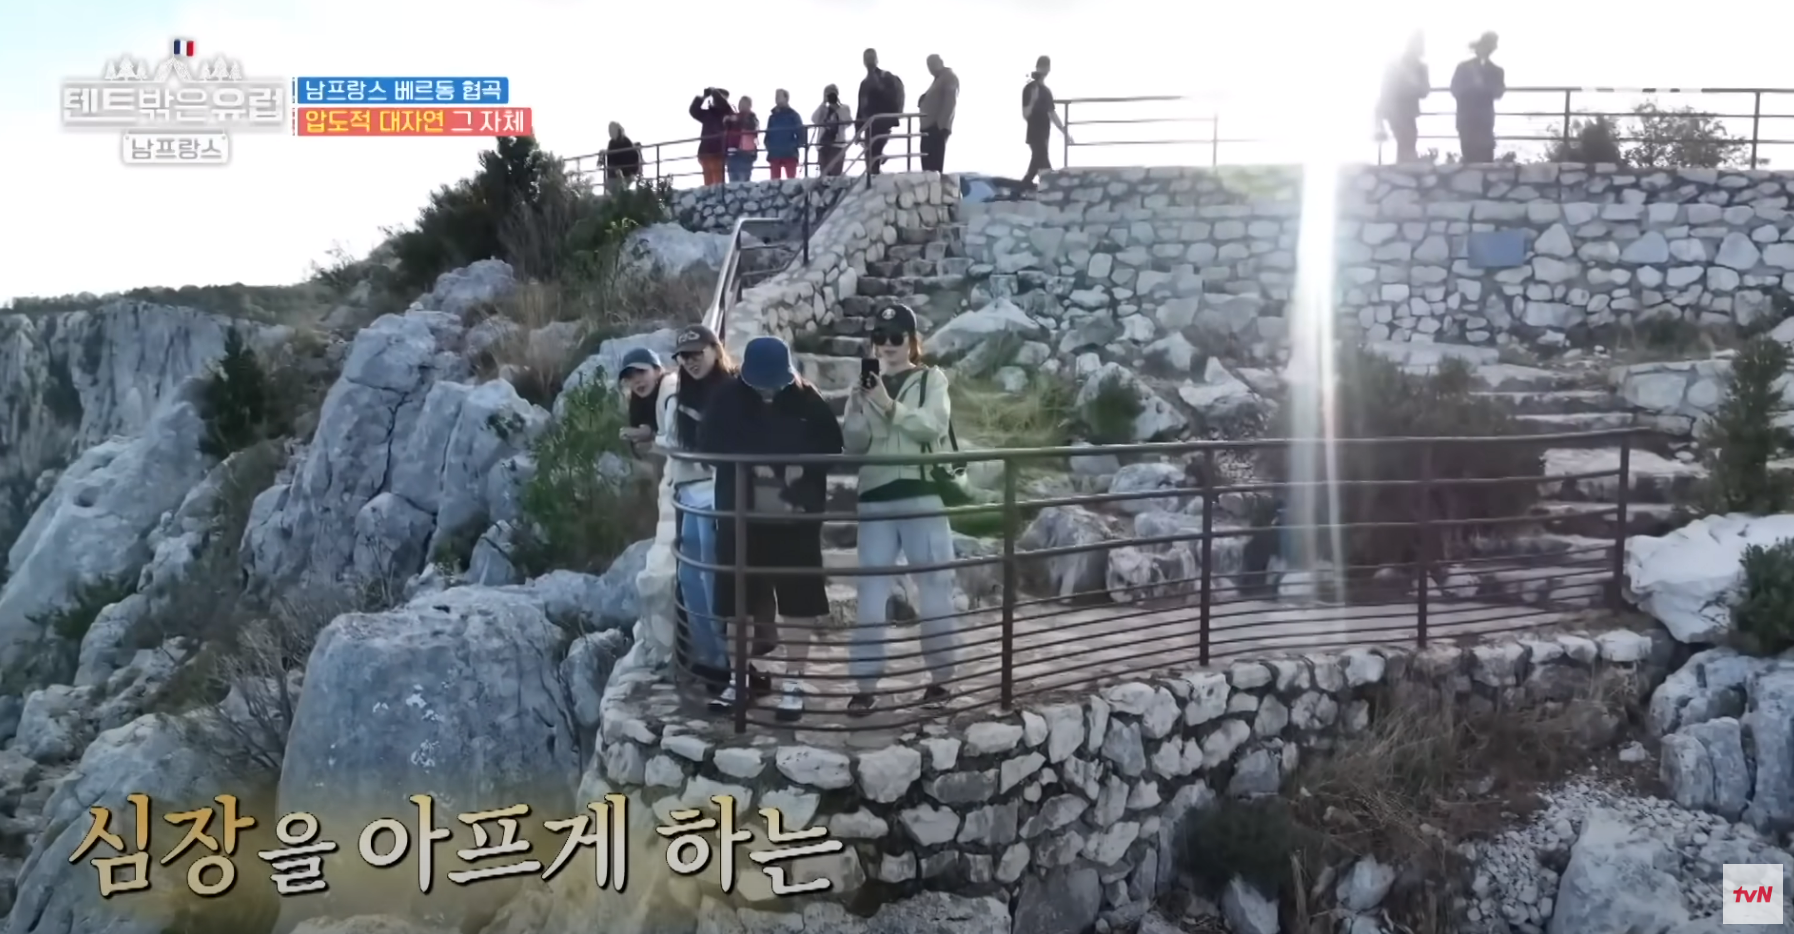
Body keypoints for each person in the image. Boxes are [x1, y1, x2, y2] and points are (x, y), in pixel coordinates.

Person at [698, 336, 844, 720]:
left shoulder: (809, 400)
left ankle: (794, 683)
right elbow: (707, 444)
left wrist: (795, 471)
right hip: (740, 519)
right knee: (737, 605)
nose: (768, 390)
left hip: (795, 522)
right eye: (760, 384)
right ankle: (738, 680)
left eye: (774, 383)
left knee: (799, 603)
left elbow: (833, 448)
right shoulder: (726, 398)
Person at [840, 303, 962, 715]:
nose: (887, 344)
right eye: (880, 337)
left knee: (935, 586)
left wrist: (889, 404)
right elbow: (854, 445)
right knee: (871, 593)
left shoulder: (931, 379)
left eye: (896, 337)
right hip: (875, 496)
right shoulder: (866, 384)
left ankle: (941, 680)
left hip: (920, 491)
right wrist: (857, 406)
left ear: (912, 341)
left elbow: (932, 427)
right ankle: (864, 684)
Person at [661, 325, 747, 694]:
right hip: (689, 494)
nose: (690, 361)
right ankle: (711, 658)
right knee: (690, 578)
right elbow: (673, 443)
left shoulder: (735, 389)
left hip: (720, 494)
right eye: (684, 356)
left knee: (715, 580)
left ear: (715, 349)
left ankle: (730, 662)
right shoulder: (679, 397)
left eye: (697, 353)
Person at [1450, 32, 1505, 164]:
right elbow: (1455, 89)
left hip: (1483, 121)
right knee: (1469, 156)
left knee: (1485, 159)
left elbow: (1499, 92)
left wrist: (1483, 87)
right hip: (1467, 119)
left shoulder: (1496, 70)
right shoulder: (1463, 67)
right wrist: (1472, 87)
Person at [1378, 33, 1429, 164]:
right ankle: (1404, 167)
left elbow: (1425, 90)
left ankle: (1404, 167)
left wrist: (1410, 88)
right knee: (1406, 140)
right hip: (1395, 111)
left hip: (1408, 112)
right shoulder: (1395, 63)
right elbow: (1386, 87)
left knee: (1409, 141)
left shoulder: (1421, 67)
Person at [1021, 55, 1071, 188]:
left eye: (1046, 67)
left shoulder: (1046, 91)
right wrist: (1033, 100)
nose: (1044, 70)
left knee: (1039, 162)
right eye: (1042, 67)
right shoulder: (1029, 89)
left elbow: (1052, 114)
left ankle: (1027, 186)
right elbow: (1025, 114)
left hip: (1045, 133)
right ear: (1037, 68)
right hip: (1034, 132)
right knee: (1041, 160)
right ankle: (1032, 185)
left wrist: (1064, 132)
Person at [856, 48, 905, 176]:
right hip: (869, 123)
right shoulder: (864, 83)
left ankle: (876, 169)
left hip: (882, 121)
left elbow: (892, 98)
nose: (869, 61)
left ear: (876, 59)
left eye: (871, 58)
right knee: (870, 154)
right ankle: (875, 172)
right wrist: (857, 129)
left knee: (874, 150)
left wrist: (878, 87)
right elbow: (860, 106)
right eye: (867, 58)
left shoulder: (886, 77)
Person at [617, 347, 671, 453]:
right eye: (630, 377)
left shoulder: (671, 392)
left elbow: (677, 439)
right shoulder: (637, 400)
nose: (637, 380)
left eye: (641, 372)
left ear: (658, 371)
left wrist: (651, 434)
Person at [918, 54, 959, 173]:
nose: (930, 68)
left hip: (936, 128)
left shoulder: (948, 77)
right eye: (928, 65)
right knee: (927, 165)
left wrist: (940, 125)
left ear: (940, 62)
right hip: (928, 127)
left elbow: (949, 103)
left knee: (934, 165)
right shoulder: (938, 79)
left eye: (932, 64)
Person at [689, 87, 734, 186]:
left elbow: (722, 104)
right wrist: (703, 97)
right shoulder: (708, 113)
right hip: (705, 151)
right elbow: (693, 111)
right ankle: (709, 194)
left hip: (718, 151)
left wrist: (714, 92)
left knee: (718, 182)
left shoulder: (727, 111)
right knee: (708, 183)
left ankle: (717, 194)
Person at [812, 85, 853, 176]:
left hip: (837, 145)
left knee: (835, 174)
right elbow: (814, 119)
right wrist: (823, 103)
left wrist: (837, 108)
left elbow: (848, 122)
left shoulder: (844, 108)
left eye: (832, 93)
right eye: (828, 93)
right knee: (824, 175)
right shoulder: (823, 109)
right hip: (823, 145)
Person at [765, 89, 805, 180]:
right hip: (774, 153)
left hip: (789, 153)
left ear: (786, 98)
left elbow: (801, 134)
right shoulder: (772, 117)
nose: (776, 98)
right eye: (776, 96)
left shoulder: (793, 115)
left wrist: (793, 145)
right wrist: (769, 145)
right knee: (774, 182)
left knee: (791, 181)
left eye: (779, 96)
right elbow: (768, 134)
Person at [724, 96, 760, 183]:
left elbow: (753, 128)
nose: (741, 105)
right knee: (732, 180)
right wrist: (727, 122)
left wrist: (738, 119)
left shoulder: (752, 117)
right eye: (740, 103)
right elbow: (726, 133)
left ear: (749, 105)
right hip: (732, 153)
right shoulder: (733, 118)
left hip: (746, 153)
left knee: (743, 180)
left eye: (744, 103)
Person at [602, 122, 643, 188]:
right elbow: (609, 159)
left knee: (619, 176)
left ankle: (621, 182)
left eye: (612, 131)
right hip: (616, 171)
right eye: (609, 131)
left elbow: (634, 156)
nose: (610, 133)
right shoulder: (611, 143)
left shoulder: (625, 141)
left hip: (627, 169)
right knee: (613, 173)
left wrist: (633, 172)